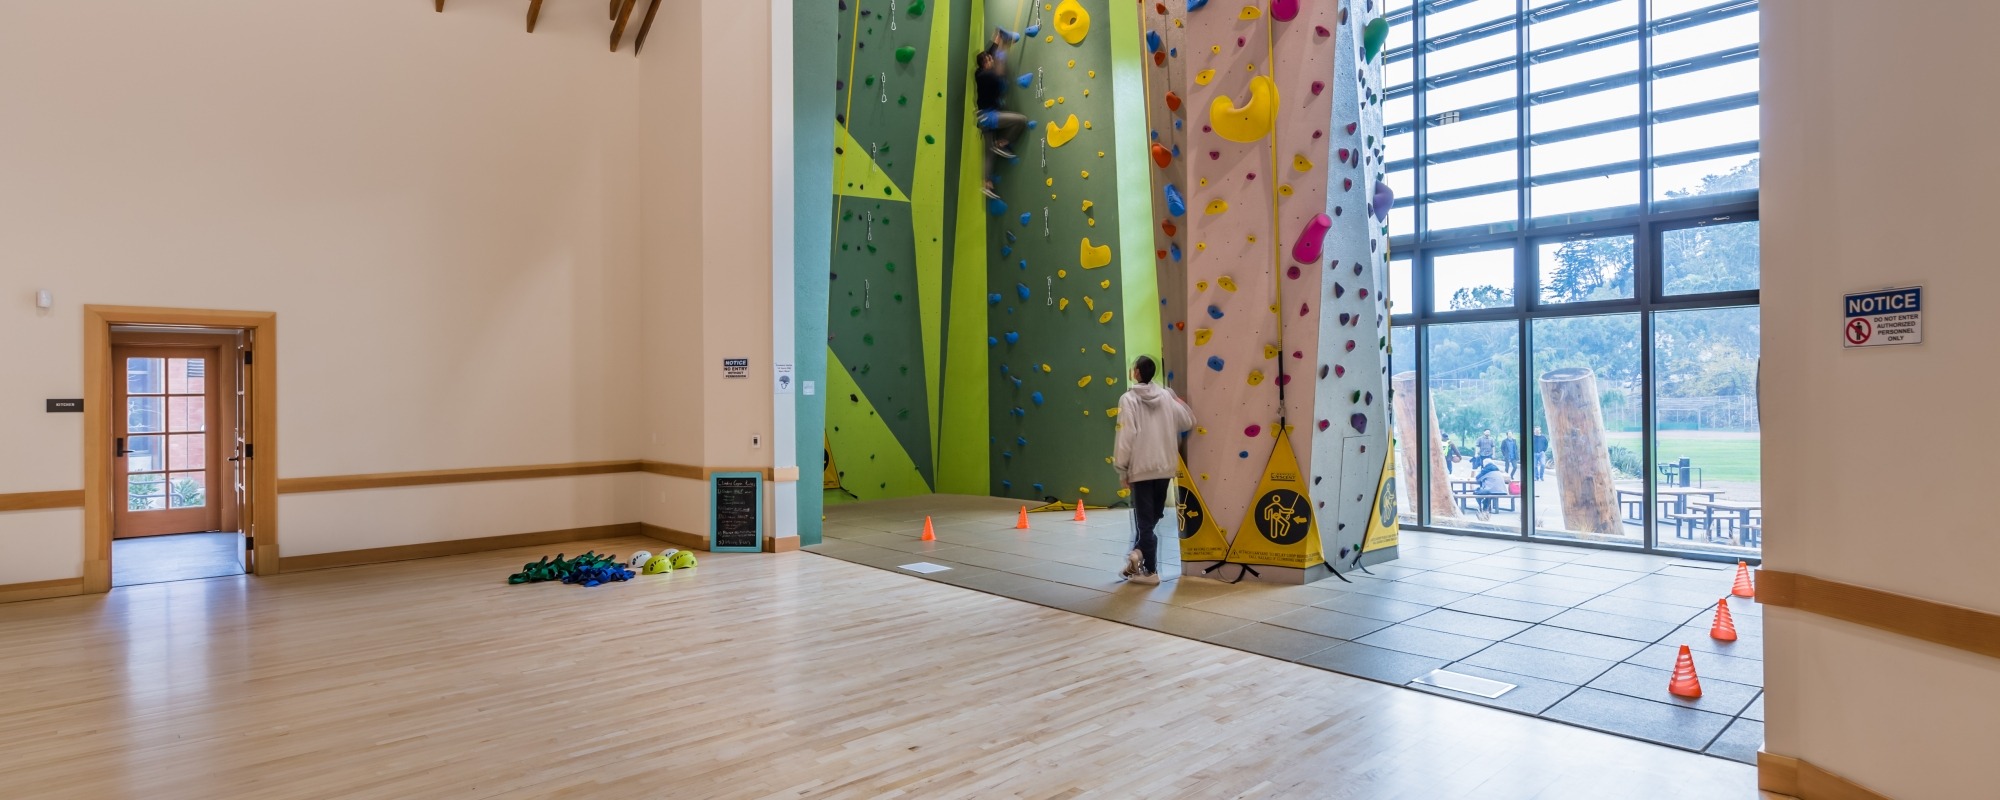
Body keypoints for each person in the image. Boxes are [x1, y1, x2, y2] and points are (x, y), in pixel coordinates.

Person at [1113, 355, 1195, 585]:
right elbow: (1187, 421)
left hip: (1141, 469)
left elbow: (1126, 435)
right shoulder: (1167, 396)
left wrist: (1122, 468)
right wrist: (1177, 401)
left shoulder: (1128, 399)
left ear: (1136, 372)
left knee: (1145, 522)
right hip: (1165, 468)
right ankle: (1137, 556)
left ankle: (1150, 571)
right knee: (1152, 519)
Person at [973, 32, 1027, 200]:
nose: (990, 61)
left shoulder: (981, 73)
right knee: (1021, 120)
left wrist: (996, 39)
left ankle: (987, 184)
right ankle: (1002, 143)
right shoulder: (985, 75)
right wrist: (1003, 47)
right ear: (983, 66)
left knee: (989, 154)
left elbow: (989, 52)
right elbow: (999, 69)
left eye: (990, 59)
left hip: (984, 119)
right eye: (988, 61)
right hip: (989, 117)